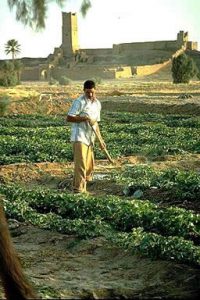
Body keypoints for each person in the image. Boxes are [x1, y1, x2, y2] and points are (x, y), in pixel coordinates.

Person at [66, 80, 105, 194]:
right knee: (81, 164)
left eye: (92, 92)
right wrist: (85, 118)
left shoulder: (97, 104)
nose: (90, 95)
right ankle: (78, 189)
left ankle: (84, 188)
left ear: (95, 90)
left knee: (89, 166)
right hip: (79, 136)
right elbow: (69, 118)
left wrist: (101, 140)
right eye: (88, 92)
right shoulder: (79, 102)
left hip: (90, 138)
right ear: (84, 91)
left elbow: (96, 124)